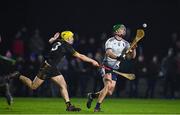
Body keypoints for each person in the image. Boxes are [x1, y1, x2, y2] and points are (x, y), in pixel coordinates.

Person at [8, 31, 99, 111]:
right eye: (71, 37)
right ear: (67, 38)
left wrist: (52, 40)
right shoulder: (67, 46)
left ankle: (69, 106)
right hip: (47, 68)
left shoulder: (59, 41)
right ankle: (18, 75)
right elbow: (81, 56)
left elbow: (51, 42)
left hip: (51, 67)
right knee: (33, 86)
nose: (73, 38)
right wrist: (93, 61)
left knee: (63, 85)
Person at [86, 24, 137, 112]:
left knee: (109, 92)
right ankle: (97, 107)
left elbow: (132, 56)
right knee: (108, 85)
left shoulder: (126, 43)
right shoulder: (110, 41)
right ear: (116, 31)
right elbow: (109, 53)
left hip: (115, 69)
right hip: (106, 66)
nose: (124, 30)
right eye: (122, 29)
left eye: (124, 29)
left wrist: (134, 49)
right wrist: (117, 57)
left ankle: (92, 96)